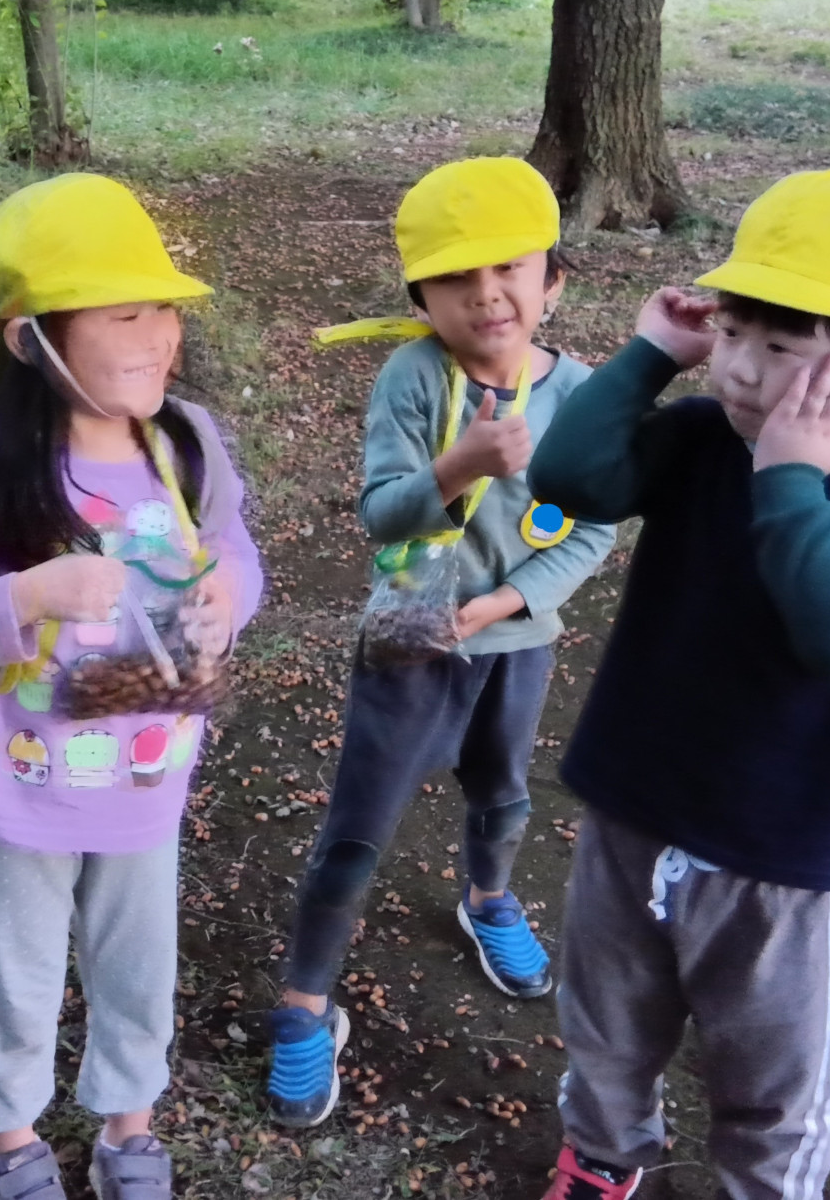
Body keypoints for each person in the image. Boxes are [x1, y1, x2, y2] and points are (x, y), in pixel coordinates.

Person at [525, 167, 830, 1200]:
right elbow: (571, 480)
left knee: (771, 1081)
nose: (737, 371)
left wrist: (790, 471)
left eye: (781, 349)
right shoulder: (699, 437)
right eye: (732, 331)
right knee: (606, 1021)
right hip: (635, 799)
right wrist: (650, 354)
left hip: (784, 850)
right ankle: (601, 1156)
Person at [0, 174, 264, 1200]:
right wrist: (27, 592)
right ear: (29, 339)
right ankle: (9, 1139)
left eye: (162, 310)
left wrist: (230, 595)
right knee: (16, 978)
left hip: (146, 785)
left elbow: (232, 554)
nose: (155, 335)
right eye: (121, 312)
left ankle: (127, 1127)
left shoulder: (184, 444)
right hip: (18, 793)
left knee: (137, 968)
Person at [263, 158, 617, 1129]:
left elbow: (593, 528)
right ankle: (302, 1000)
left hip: (516, 639)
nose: (485, 293)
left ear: (553, 279)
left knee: (502, 791)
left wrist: (504, 601)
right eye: (455, 277)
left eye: (509, 267)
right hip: (407, 648)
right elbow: (382, 516)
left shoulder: (581, 396)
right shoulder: (414, 377)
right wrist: (457, 466)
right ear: (419, 296)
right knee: (355, 827)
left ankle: (488, 897)